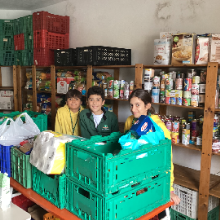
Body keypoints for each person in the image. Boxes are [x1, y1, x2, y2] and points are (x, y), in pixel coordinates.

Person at [124, 89, 180, 208]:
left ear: (148, 105)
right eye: (131, 105)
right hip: (133, 175)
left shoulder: (159, 127)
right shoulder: (130, 120)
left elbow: (167, 159)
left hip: (152, 177)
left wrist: (169, 188)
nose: (133, 109)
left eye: (137, 105)